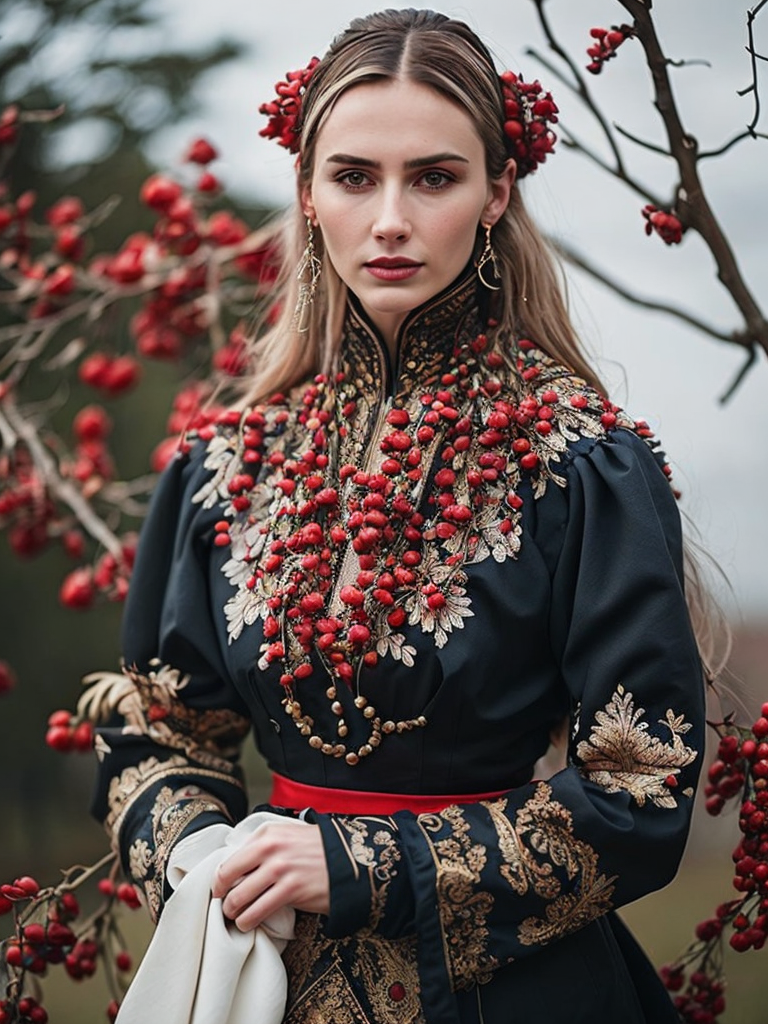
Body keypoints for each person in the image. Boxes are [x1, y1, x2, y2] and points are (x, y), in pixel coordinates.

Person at [88, 9, 710, 1023]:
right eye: (354, 177)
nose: (390, 220)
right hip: (265, 978)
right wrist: (212, 861)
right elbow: (158, 734)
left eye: (433, 177)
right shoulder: (226, 465)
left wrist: (358, 864)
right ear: (308, 194)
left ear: (497, 191)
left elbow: (642, 793)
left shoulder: (585, 463)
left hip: (511, 991)